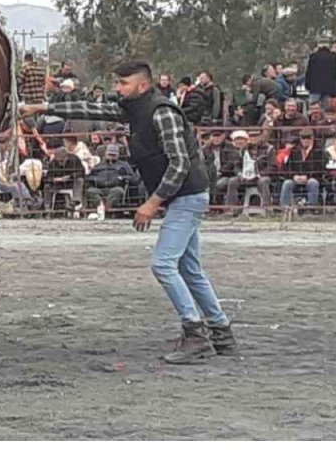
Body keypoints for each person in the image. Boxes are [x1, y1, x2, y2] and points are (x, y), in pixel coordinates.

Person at [21, 60, 235, 364]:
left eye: (123, 84)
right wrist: (41, 107)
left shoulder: (162, 113)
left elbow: (180, 164)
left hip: (186, 195)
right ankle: (221, 331)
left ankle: (195, 333)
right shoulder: (135, 109)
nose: (117, 89)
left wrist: (152, 203)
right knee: (189, 269)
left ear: (143, 86)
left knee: (163, 265)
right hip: (184, 195)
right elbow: (90, 109)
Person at [84, 144, 139, 216]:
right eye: (110, 154)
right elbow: (89, 176)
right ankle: (101, 207)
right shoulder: (98, 165)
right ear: (105, 154)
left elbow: (134, 178)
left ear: (118, 155)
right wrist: (95, 179)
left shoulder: (124, 165)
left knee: (118, 191)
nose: (111, 156)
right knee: (91, 191)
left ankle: (105, 210)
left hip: (115, 187)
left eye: (114, 155)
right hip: (99, 188)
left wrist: (122, 178)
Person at [279, 129, 325, 210]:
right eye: (303, 138)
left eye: (308, 138)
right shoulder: (294, 151)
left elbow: (320, 169)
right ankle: (284, 209)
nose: (306, 140)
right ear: (300, 139)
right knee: (287, 183)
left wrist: (307, 176)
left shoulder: (318, 151)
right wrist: (294, 176)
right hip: (296, 179)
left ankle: (311, 209)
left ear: (312, 138)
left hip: (311, 178)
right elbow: (287, 167)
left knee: (313, 183)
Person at [306, 41, 336, 109]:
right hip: (328, 87)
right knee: (326, 108)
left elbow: (309, 72)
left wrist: (307, 85)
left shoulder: (313, 57)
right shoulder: (333, 57)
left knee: (313, 106)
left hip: (315, 87)